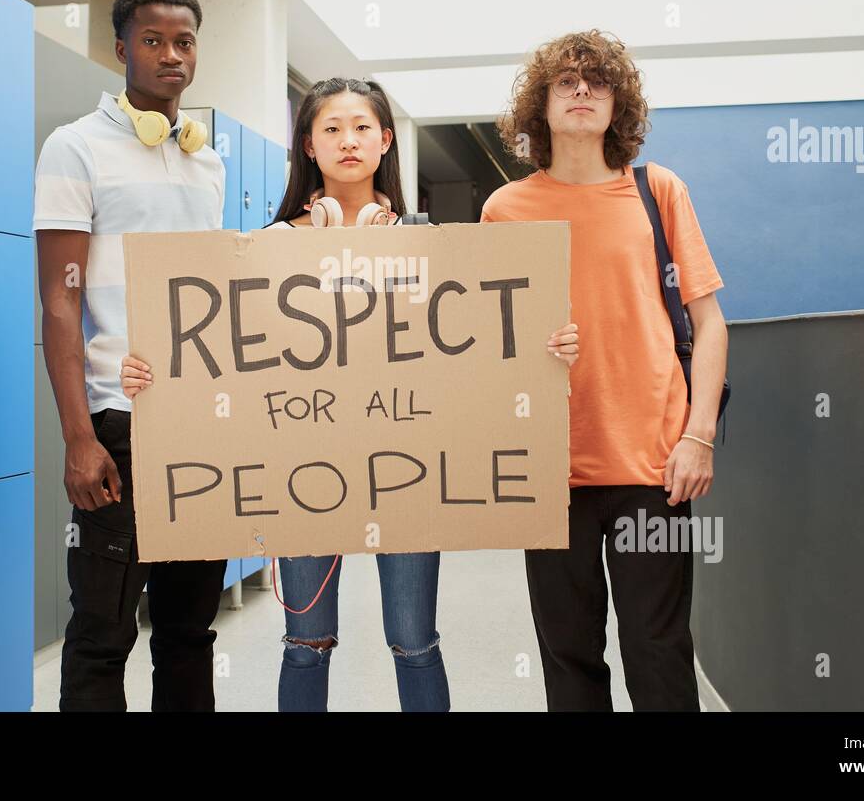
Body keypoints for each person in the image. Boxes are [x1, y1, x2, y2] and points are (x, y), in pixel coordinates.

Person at [121, 77, 579, 712]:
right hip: (304, 470)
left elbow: (472, 347)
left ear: (385, 139)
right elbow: (223, 360)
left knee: (414, 639)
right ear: (308, 144)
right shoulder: (267, 249)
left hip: (409, 466)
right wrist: (154, 378)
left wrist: (543, 350)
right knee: (305, 640)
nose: (348, 141)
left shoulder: (427, 242)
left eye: (362, 127)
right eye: (330, 128)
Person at [482, 30, 728, 711]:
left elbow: (709, 325)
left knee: (658, 652)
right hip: (548, 471)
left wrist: (698, 436)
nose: (583, 90)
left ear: (619, 104)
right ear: (543, 104)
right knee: (569, 659)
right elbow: (485, 351)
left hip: (654, 469)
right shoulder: (504, 210)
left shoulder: (658, 192)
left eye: (598, 81)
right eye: (567, 81)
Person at [34, 0, 228, 711]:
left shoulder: (205, 160)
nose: (171, 55)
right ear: (121, 50)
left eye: (184, 42)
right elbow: (61, 299)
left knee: (189, 631)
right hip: (119, 423)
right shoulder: (75, 147)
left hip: (200, 426)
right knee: (102, 632)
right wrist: (79, 436)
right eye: (153, 40)